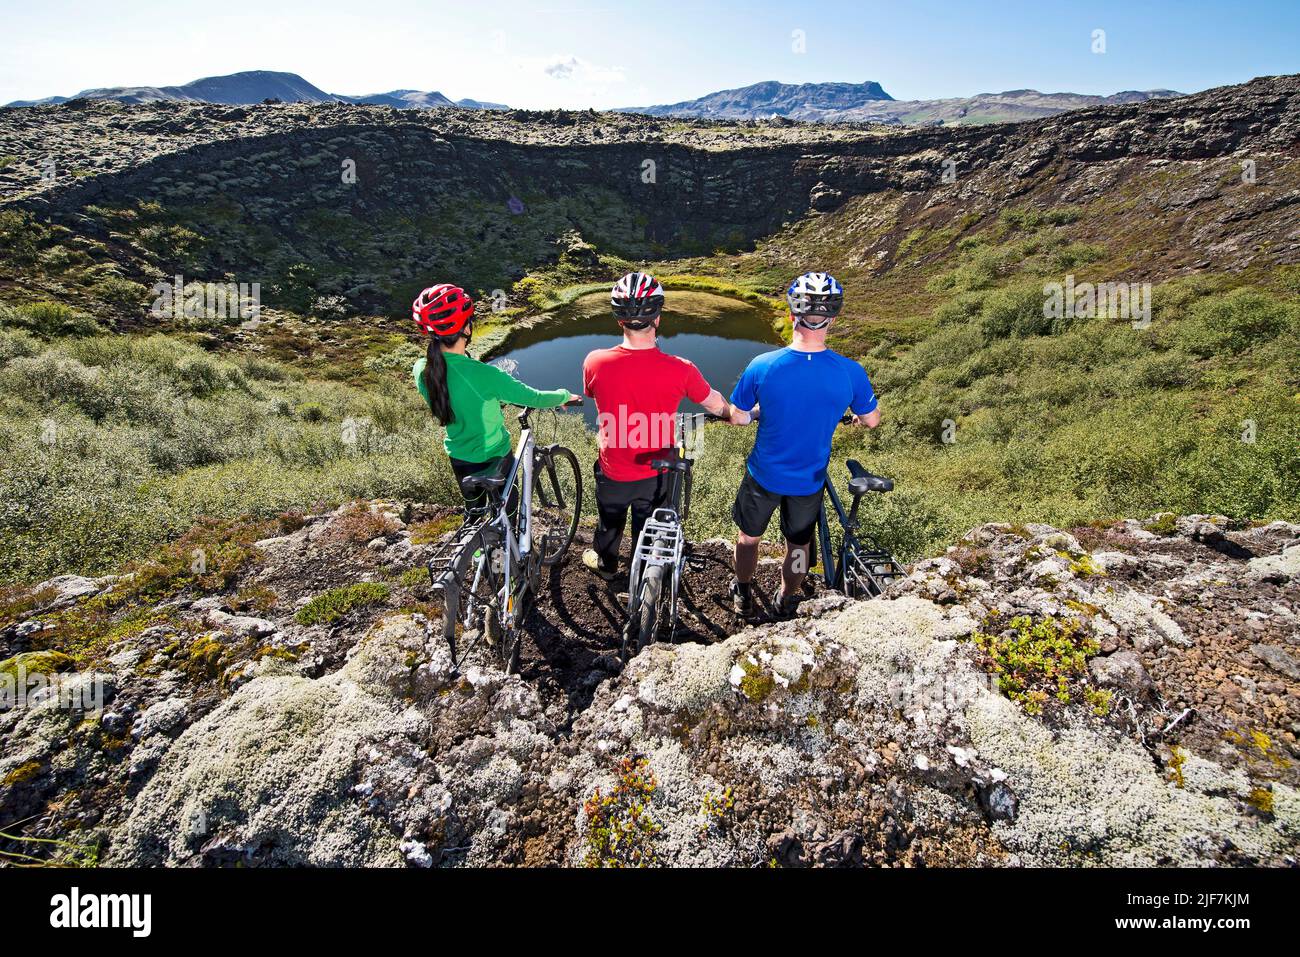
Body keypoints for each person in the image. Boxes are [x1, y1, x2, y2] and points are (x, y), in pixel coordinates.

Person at [728, 271, 881, 617]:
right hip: (808, 481)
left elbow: (736, 415)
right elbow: (872, 419)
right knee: (798, 545)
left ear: (791, 314)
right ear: (833, 317)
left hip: (763, 476)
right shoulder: (849, 372)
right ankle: (786, 597)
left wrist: (755, 413)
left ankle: (743, 591)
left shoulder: (763, 365)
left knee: (748, 539)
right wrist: (856, 417)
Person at [581, 271, 748, 580]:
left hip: (613, 469)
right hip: (656, 471)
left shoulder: (595, 361)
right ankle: (646, 575)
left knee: (609, 521)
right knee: (650, 526)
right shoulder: (681, 369)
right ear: (657, 318)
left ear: (619, 319)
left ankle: (606, 565)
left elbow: (592, 393)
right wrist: (731, 413)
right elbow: (715, 404)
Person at [411, 282, 579, 510]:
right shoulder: (486, 375)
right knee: (507, 511)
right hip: (495, 456)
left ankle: (475, 544)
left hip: (459, 458)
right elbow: (535, 397)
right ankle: (508, 543)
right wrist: (564, 395)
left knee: (474, 513)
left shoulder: (422, 369)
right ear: (467, 329)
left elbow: (456, 394)